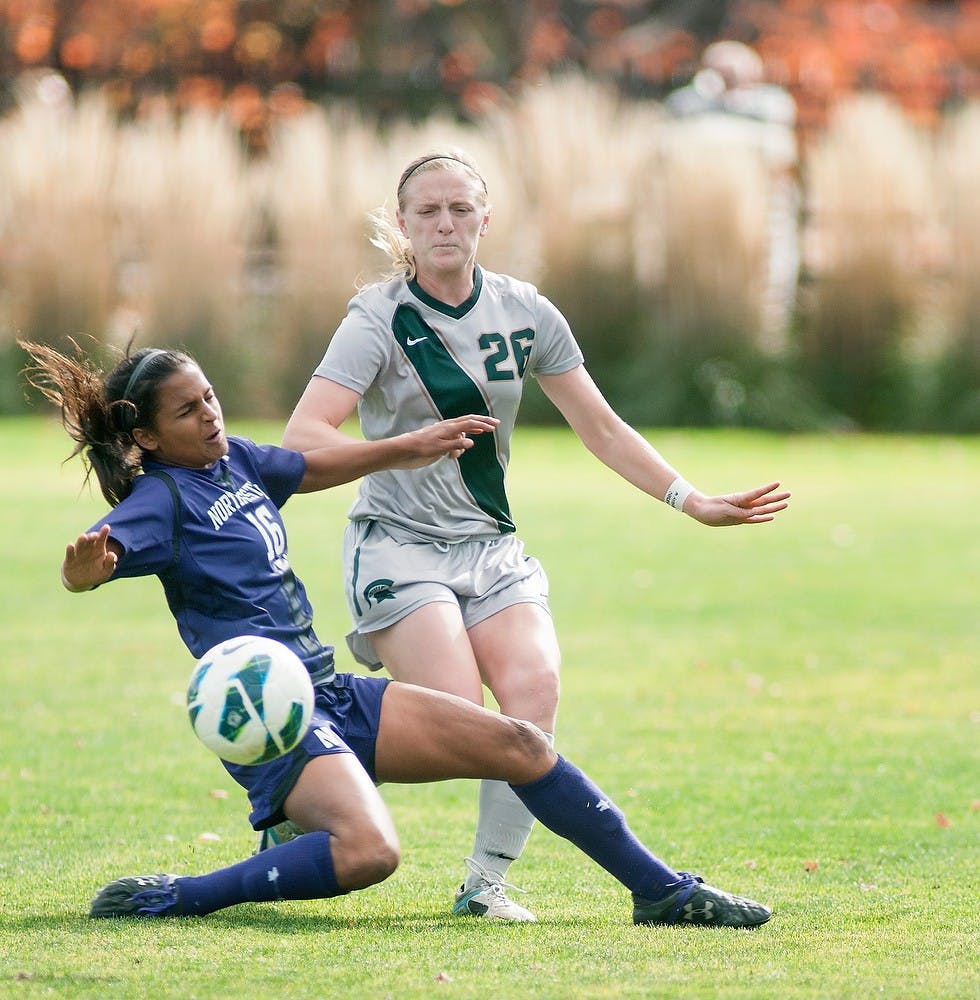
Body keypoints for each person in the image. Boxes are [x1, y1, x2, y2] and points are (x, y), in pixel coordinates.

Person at [21, 338, 773, 928]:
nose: (210, 414)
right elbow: (90, 565)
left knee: (522, 744)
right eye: (186, 411)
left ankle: (664, 895)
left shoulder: (237, 462)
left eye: (209, 396)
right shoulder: (159, 501)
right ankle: (182, 895)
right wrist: (85, 570)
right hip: (277, 718)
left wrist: (410, 445)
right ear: (146, 439)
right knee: (372, 852)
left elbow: (310, 467)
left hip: (329, 691)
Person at [281, 149, 791, 919]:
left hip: (490, 549)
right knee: (453, 715)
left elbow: (602, 427)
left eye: (460, 208)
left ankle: (485, 887)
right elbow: (303, 437)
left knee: (531, 695)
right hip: (397, 544)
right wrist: (402, 447)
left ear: (487, 218)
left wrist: (693, 501)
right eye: (428, 211)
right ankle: (303, 774)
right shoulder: (377, 319)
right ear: (403, 225)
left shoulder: (526, 311)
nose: (445, 223)